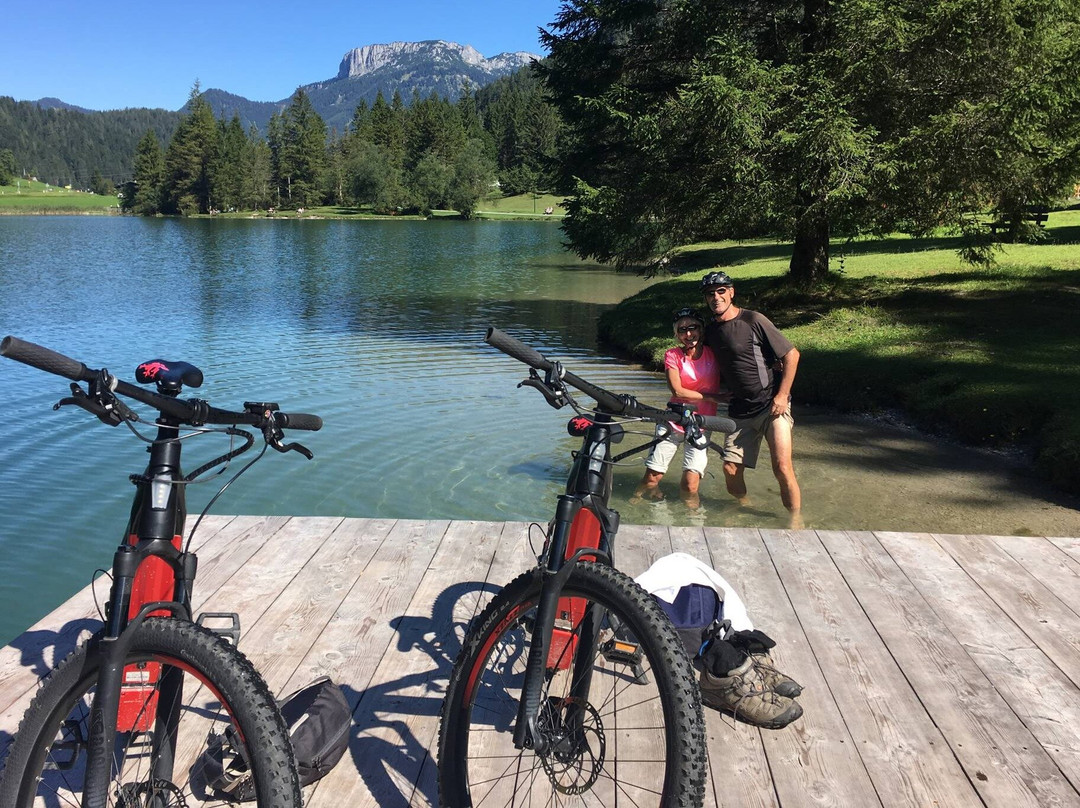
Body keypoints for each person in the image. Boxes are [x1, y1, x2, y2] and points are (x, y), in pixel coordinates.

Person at [700, 271, 803, 527]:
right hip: (739, 410)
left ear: (732, 292)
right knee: (730, 470)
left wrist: (782, 395)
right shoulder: (711, 331)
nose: (716, 297)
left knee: (781, 467)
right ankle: (744, 506)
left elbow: (792, 355)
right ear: (706, 298)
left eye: (721, 291)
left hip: (772, 406)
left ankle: (796, 521)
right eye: (711, 293)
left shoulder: (754, 320)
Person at [631, 307, 726, 509]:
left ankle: (694, 520)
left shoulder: (715, 354)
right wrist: (714, 398)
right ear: (676, 334)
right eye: (682, 330)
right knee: (652, 478)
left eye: (693, 328)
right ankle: (634, 502)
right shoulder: (672, 355)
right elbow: (678, 390)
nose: (688, 334)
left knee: (691, 485)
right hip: (673, 420)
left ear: (701, 329)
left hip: (702, 424)